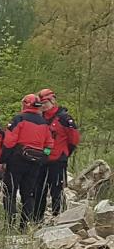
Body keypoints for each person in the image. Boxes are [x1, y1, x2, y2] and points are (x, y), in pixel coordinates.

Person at [4, 93, 54, 224]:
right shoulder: (44, 123)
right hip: (36, 162)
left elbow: (9, 142)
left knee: (10, 192)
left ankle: (9, 223)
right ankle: (24, 225)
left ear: (25, 104)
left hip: (17, 161)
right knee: (29, 194)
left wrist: (2, 160)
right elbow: (49, 144)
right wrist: (44, 157)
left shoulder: (18, 119)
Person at [41, 88, 79, 216]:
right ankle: (37, 218)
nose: (44, 105)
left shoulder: (63, 118)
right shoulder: (39, 117)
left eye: (46, 102)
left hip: (58, 159)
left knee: (56, 189)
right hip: (42, 159)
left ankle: (59, 216)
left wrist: (65, 153)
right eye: (41, 102)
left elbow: (73, 139)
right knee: (39, 189)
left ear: (53, 101)